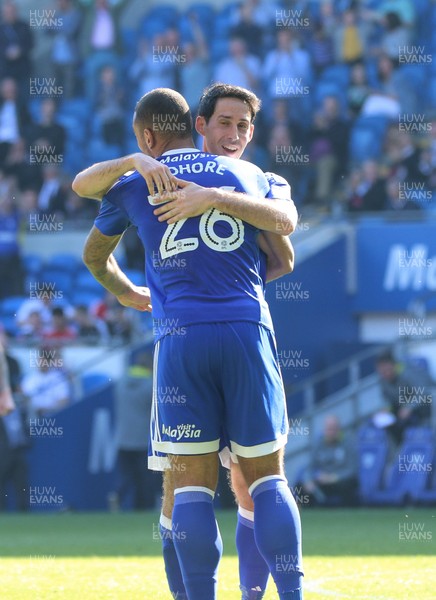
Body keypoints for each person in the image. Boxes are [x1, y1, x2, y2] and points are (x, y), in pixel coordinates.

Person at [74, 88, 303, 600]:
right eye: (228, 123)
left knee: (189, 486)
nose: (235, 135)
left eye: (243, 125)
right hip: (246, 330)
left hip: (180, 339)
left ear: (148, 136)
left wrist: (129, 293)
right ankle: (289, 595)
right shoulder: (253, 175)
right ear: (198, 125)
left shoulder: (136, 183)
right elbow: (286, 246)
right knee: (267, 479)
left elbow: (90, 247)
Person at [109, 349, 159, 511]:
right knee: (145, 479)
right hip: (143, 440)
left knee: (125, 476)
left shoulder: (120, 383)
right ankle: (143, 508)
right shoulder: (151, 385)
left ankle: (117, 495)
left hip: (122, 438)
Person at [300, 415, 358, 507]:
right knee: (301, 486)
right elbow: (309, 467)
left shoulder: (347, 443)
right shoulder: (318, 444)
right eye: (328, 429)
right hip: (323, 481)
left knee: (349, 485)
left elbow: (352, 470)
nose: (331, 432)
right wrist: (308, 480)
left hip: (339, 481)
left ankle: (346, 513)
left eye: (333, 429)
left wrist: (334, 477)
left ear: (339, 429)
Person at [0, 331, 28, 512]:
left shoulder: (13, 362)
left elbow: (17, 386)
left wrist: (18, 397)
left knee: (21, 481)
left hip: (11, 412)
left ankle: (24, 511)